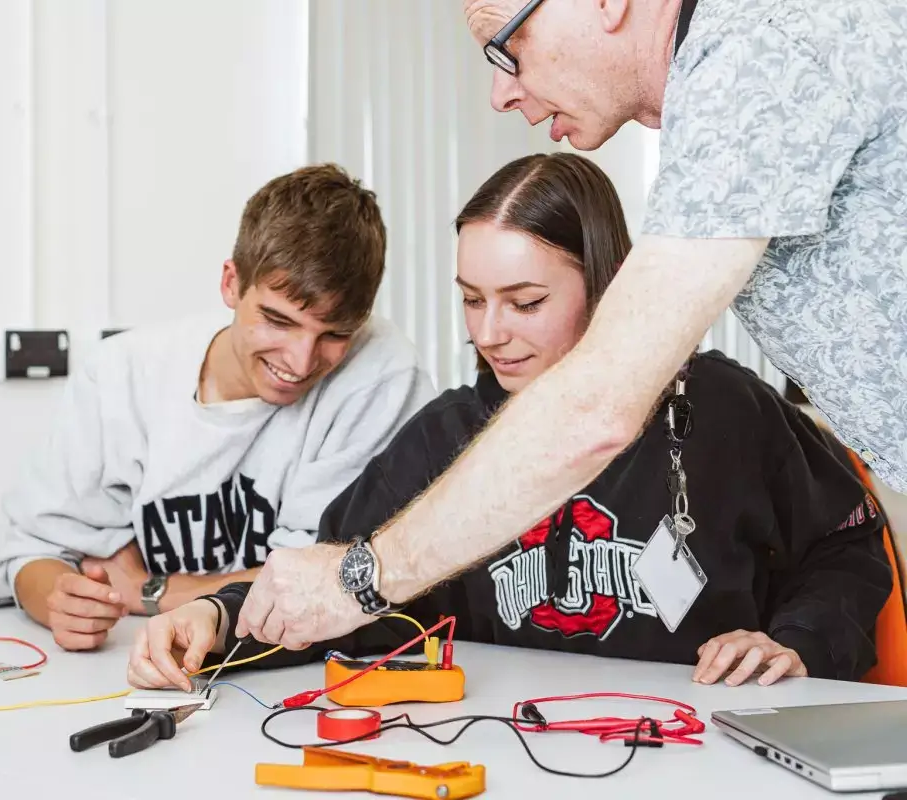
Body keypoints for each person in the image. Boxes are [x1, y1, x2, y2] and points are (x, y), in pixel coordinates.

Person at [233, 0, 907, 648]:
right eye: (473, 298)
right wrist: (222, 611)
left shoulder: (758, 53)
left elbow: (596, 407)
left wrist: (361, 579)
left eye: (509, 46)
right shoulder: (733, 83)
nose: (499, 93)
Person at [127, 153, 893, 692]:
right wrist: (215, 618)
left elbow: (848, 544)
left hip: (701, 749)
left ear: (607, 286)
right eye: (471, 298)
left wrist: (792, 643)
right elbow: (342, 585)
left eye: (525, 303)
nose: (489, 333)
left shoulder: (728, 406)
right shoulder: (443, 433)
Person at [0, 163, 435, 651]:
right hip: (132, 663)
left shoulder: (383, 374)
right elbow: (34, 552)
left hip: (300, 671)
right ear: (230, 283)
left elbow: (321, 586)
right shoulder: (121, 373)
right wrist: (60, 601)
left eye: (335, 334)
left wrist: (152, 591)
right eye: (277, 320)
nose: (301, 360)